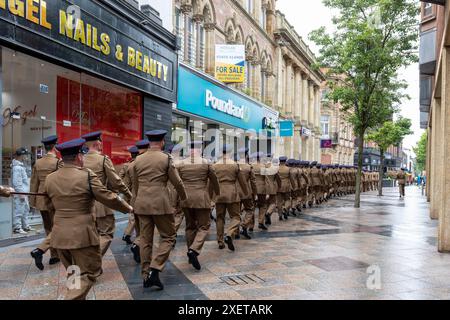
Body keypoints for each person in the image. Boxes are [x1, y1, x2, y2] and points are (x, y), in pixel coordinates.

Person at [44, 138, 133, 300]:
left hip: (59, 234)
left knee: (73, 272)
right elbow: (108, 197)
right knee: (88, 274)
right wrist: (128, 208)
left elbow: (49, 205)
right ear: (79, 156)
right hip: (82, 236)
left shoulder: (50, 178)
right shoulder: (86, 175)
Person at [132, 130, 187, 290]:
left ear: (150, 142)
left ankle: (145, 275)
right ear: (162, 141)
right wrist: (183, 198)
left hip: (142, 203)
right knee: (169, 236)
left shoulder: (138, 159)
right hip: (161, 203)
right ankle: (155, 269)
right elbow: (177, 182)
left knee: (145, 240)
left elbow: (135, 185)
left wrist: (135, 201)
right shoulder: (166, 158)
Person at [81, 131, 132, 256]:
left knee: (90, 236)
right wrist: (128, 194)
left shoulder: (80, 160)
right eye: (100, 142)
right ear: (97, 143)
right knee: (106, 234)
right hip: (101, 204)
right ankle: (92, 262)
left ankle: (87, 262)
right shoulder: (103, 159)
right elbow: (116, 181)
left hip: (82, 204)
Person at [177, 141, 220, 270]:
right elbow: (214, 180)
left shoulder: (181, 164)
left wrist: (176, 200)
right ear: (200, 150)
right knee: (204, 226)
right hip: (201, 198)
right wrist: (216, 194)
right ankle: (194, 250)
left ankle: (190, 250)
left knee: (190, 226)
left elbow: (177, 183)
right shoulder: (206, 163)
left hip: (185, 199)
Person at [29, 135, 63, 270]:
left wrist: (33, 201)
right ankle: (44, 251)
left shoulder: (38, 162)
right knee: (57, 227)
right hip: (54, 198)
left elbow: (34, 183)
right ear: (54, 146)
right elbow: (61, 181)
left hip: (41, 199)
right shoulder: (57, 162)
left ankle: (55, 255)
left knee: (48, 227)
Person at [213, 145, 248, 251]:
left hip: (219, 193)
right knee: (236, 217)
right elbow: (242, 181)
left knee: (219, 218)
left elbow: (211, 182)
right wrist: (245, 193)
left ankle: (220, 241)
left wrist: (211, 196)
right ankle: (229, 234)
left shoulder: (215, 165)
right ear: (230, 152)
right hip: (232, 193)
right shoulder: (235, 165)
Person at [129, 139, 150, 263]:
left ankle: (138, 247)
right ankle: (137, 245)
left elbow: (128, 184)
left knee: (139, 228)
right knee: (147, 229)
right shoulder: (148, 162)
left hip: (135, 200)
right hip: (148, 200)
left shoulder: (132, 164)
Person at [119, 146, 140, 246]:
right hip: (135, 193)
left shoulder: (126, 165)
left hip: (127, 192)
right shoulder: (138, 165)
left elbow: (119, 177)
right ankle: (127, 234)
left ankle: (133, 235)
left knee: (134, 214)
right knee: (134, 214)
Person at [237, 148, 257, 240]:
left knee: (236, 213)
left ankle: (235, 231)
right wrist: (255, 193)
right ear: (246, 156)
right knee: (250, 210)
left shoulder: (234, 166)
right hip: (246, 192)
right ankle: (244, 225)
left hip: (236, 192)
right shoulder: (249, 167)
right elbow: (253, 182)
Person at [11, 147, 33, 234]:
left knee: (25, 209)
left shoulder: (20, 166)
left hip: (24, 192)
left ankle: (25, 226)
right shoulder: (17, 167)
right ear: (21, 155)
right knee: (19, 210)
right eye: (25, 155)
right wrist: (20, 193)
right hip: (20, 192)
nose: (26, 157)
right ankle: (17, 227)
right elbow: (16, 182)